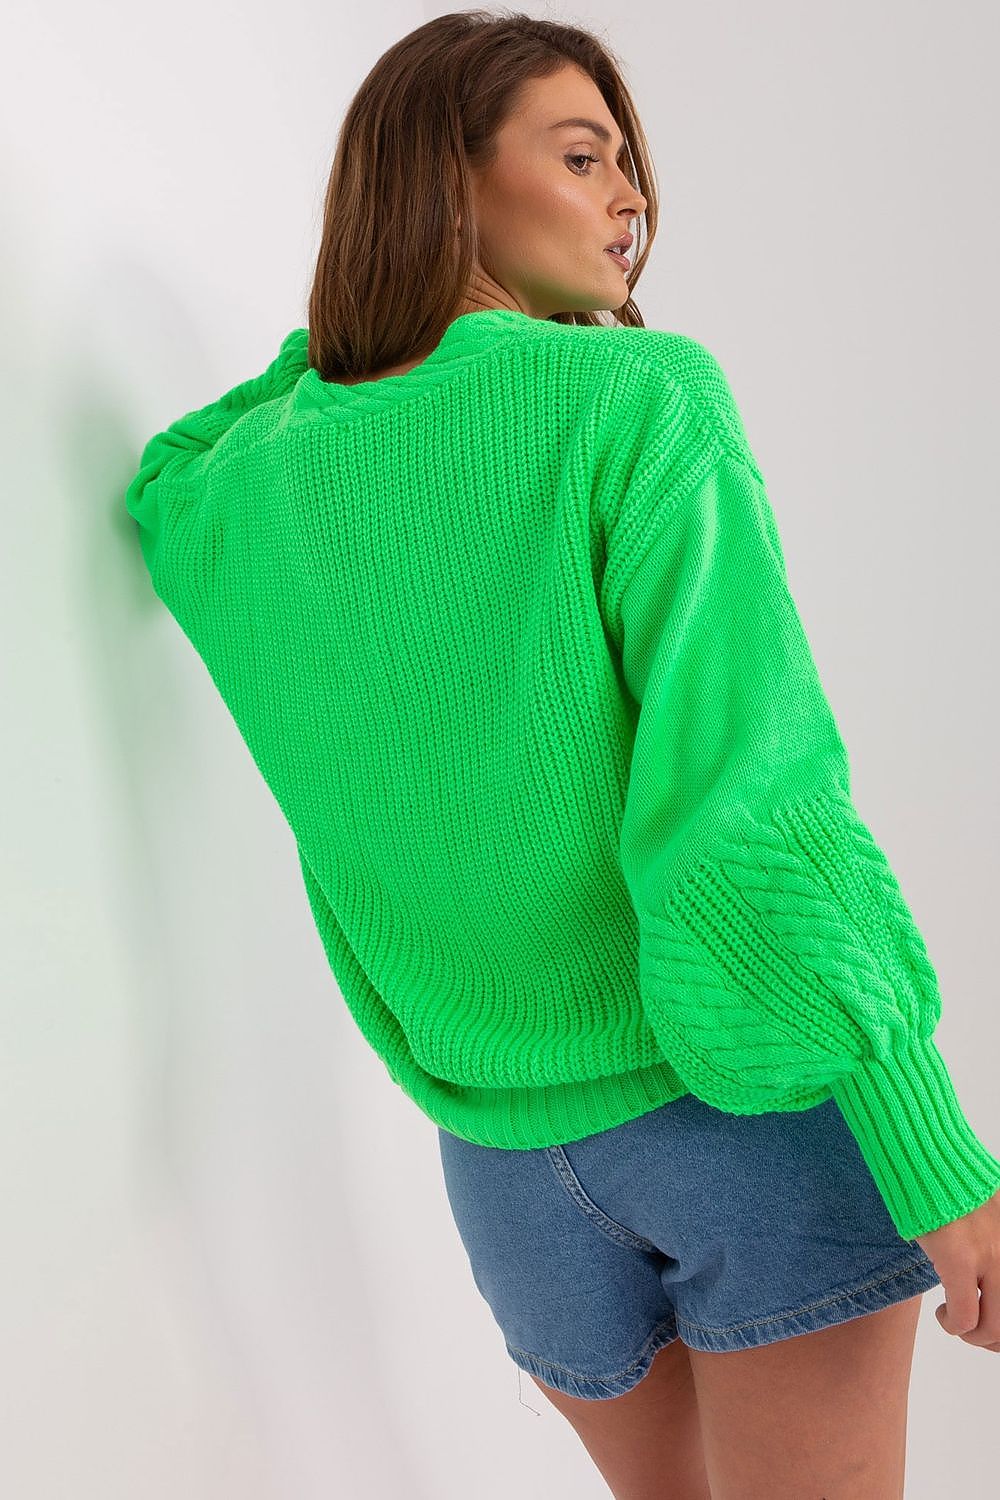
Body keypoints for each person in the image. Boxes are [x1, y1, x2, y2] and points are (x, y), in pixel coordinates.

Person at [123, 11, 1000, 1498]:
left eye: (629, 165)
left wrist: (376, 339)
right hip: (737, 1118)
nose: (630, 200)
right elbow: (751, 804)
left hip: (507, 1182)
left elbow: (168, 469)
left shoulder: (247, 489)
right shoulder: (640, 399)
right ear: (441, 181)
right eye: (584, 157)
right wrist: (928, 1144)